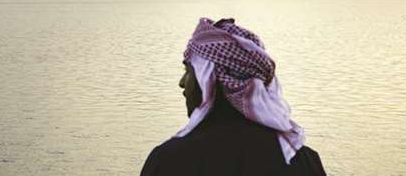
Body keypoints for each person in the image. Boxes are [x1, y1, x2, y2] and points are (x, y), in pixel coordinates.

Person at [140, 18, 327, 176]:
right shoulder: (302, 160)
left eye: (189, 71)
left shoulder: (169, 161)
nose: (182, 82)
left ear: (211, 81)